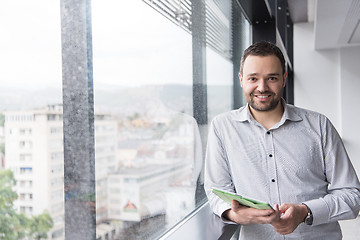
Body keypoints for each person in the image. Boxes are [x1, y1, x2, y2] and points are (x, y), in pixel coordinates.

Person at [204, 41, 360, 239]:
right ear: (241, 80)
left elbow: (352, 195)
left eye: (272, 78)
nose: (262, 87)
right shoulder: (222, 127)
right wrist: (233, 213)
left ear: (284, 79)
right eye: (253, 78)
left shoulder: (319, 125)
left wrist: (305, 211)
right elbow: (216, 189)